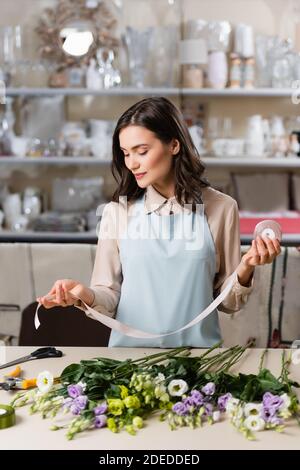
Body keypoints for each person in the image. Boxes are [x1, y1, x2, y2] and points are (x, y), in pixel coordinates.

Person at [37, 97, 281, 347]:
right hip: (129, 365)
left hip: (199, 366)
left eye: (142, 151)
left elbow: (229, 303)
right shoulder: (117, 212)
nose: (132, 163)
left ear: (174, 145)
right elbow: (108, 296)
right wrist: (82, 294)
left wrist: (247, 266)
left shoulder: (221, 208)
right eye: (125, 154)